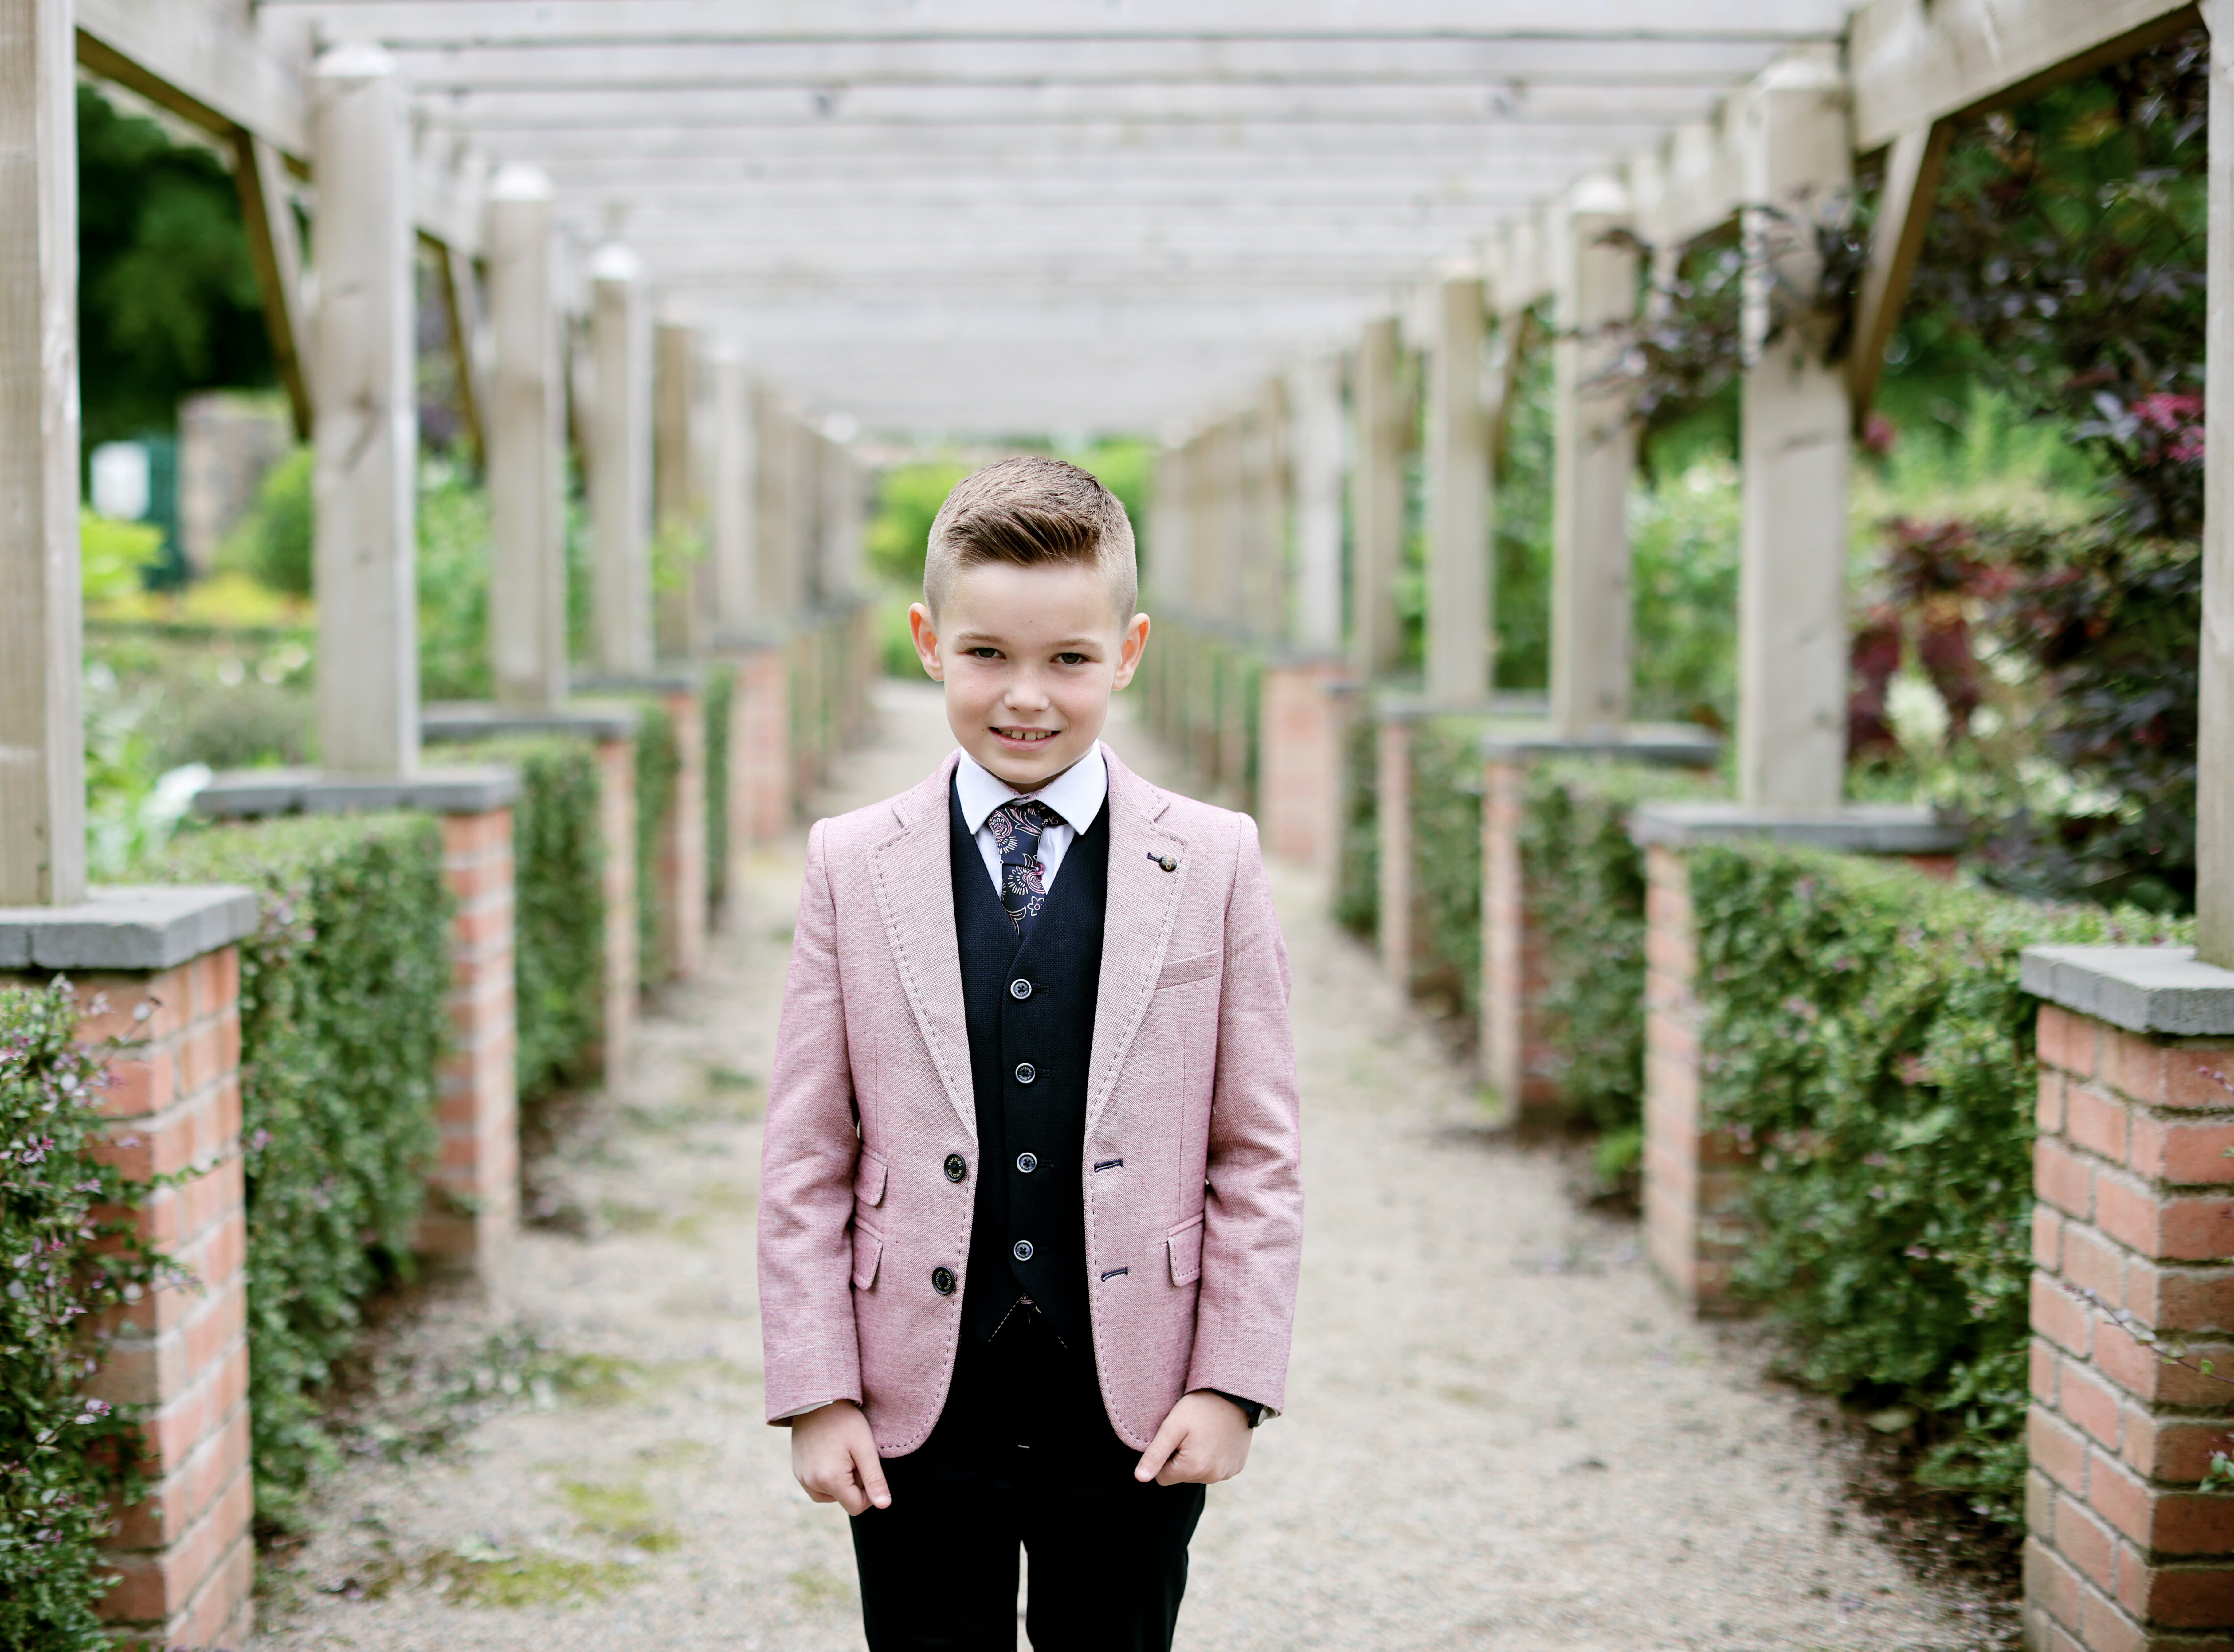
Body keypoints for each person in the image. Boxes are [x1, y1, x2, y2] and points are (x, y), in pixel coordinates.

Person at [757, 454, 1305, 1651]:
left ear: (1131, 648)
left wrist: (1230, 1381)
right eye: (987, 654)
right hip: (916, 1393)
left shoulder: (1212, 860)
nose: (1027, 698)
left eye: (1069, 658)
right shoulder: (853, 863)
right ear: (926, 639)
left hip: (1136, 1401)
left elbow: (1257, 1153)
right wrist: (816, 1387)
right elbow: (806, 1152)